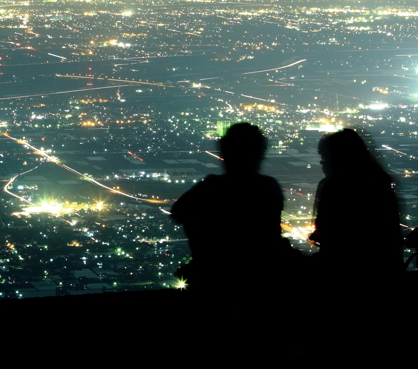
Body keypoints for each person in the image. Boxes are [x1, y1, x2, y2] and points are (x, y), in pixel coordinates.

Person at [171, 122, 287, 288]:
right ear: (259, 153)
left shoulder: (212, 187)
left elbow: (178, 212)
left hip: (217, 277)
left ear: (225, 153)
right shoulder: (268, 187)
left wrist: (203, 253)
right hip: (265, 275)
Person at [309, 129, 402, 274]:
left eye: (326, 158)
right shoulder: (379, 183)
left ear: (340, 158)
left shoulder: (334, 187)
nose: (323, 163)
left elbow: (329, 235)